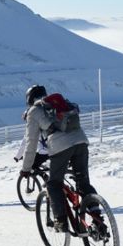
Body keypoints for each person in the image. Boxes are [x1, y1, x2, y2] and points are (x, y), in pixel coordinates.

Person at [20, 84, 97, 232]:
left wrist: (26, 168)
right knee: (83, 182)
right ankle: (97, 216)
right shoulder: (58, 103)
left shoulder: (33, 111)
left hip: (60, 147)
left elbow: (31, 143)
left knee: (53, 184)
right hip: (81, 141)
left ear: (29, 100)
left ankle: (61, 221)